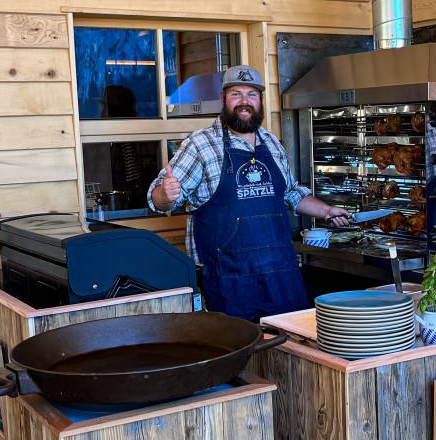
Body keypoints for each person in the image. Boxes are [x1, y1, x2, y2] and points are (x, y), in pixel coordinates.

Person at [148, 65, 350, 322]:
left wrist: (327, 211)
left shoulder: (271, 142)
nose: (244, 102)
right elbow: (156, 201)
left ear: (260, 100)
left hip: (280, 275)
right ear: (223, 100)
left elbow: (291, 193)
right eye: (236, 94)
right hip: (230, 281)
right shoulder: (200, 144)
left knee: (291, 351)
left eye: (252, 94)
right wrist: (166, 195)